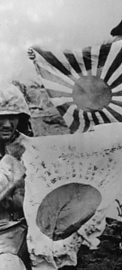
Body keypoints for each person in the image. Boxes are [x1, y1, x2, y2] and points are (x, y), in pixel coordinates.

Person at [0, 85, 34, 270]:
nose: (6, 124)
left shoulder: (31, 150)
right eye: (1, 117)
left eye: (12, 117)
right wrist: (13, 182)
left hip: (21, 234)